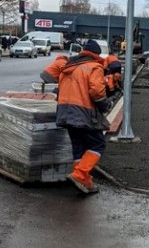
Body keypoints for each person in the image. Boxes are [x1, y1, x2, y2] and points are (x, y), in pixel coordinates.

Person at [40, 39, 111, 195]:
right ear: (96, 54)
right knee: (98, 144)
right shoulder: (94, 67)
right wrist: (106, 105)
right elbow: (97, 92)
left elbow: (48, 78)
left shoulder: (68, 66)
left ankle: (84, 179)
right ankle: (80, 175)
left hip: (65, 113)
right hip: (83, 112)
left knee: (78, 145)